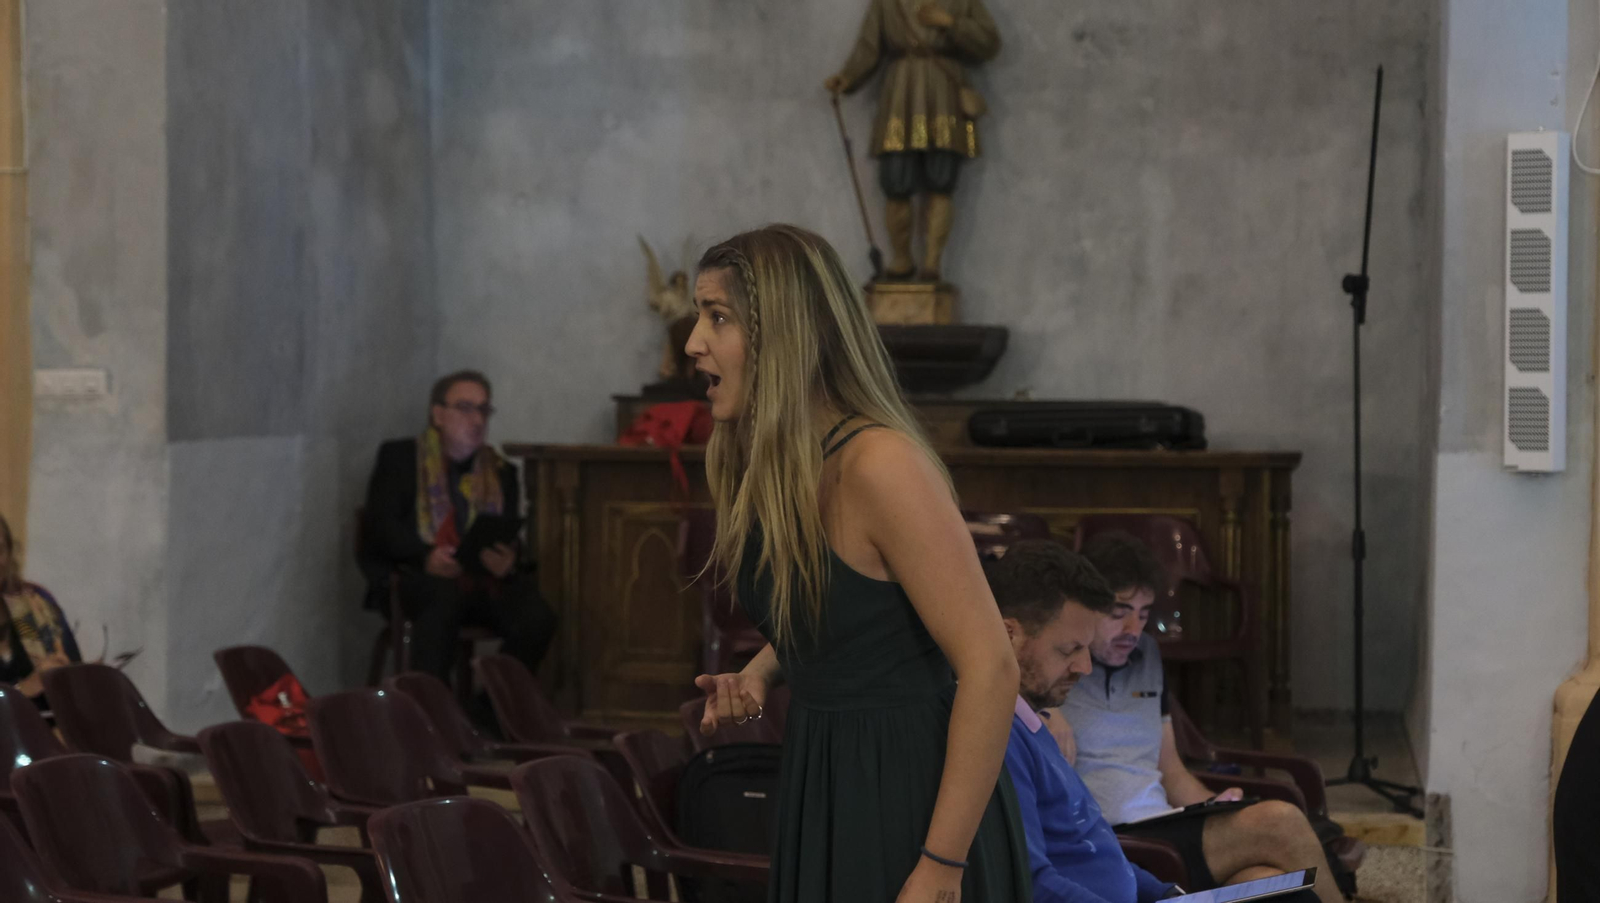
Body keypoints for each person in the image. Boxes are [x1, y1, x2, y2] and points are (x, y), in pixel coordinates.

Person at [686, 224, 1030, 902]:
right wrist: (761, 670)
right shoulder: (774, 461)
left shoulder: (880, 465)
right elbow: (849, 613)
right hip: (825, 774)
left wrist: (941, 864)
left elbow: (991, 666)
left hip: (911, 791)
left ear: (783, 333)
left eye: (717, 316)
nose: (693, 341)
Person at [1061, 532, 1340, 903]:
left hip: (1162, 823)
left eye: (1144, 614)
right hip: (1116, 840)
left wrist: (1215, 804)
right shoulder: (1057, 672)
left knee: (1270, 883)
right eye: (1119, 614)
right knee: (1280, 822)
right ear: (1085, 609)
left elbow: (1171, 769)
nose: (1134, 631)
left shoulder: (1147, 655)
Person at [986, 538, 1188, 903]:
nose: (1085, 667)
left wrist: (1165, 893)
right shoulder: (998, 737)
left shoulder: (1035, 722)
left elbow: (1095, 847)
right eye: (1069, 650)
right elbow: (1029, 882)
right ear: (1008, 634)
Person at [360, 371, 557, 684]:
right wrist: (425, 556)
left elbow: (505, 532)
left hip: (481, 580)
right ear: (438, 414)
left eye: (483, 410)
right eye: (465, 408)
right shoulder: (401, 458)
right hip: (418, 576)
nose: (477, 419)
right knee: (443, 600)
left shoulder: (501, 471)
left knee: (536, 616)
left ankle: (491, 714)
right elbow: (380, 525)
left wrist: (508, 560)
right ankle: (431, 714)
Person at [824, 0, 1001, 280]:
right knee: (895, 178)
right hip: (901, 92)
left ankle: (932, 263)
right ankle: (902, 260)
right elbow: (870, 46)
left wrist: (951, 24)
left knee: (942, 177)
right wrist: (848, 78)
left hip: (944, 93)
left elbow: (989, 43)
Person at [0, 513, 82, 707]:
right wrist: (22, 690)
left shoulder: (38, 605)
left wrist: (67, 675)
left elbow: (79, 686)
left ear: (10, 554)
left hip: (47, 733)